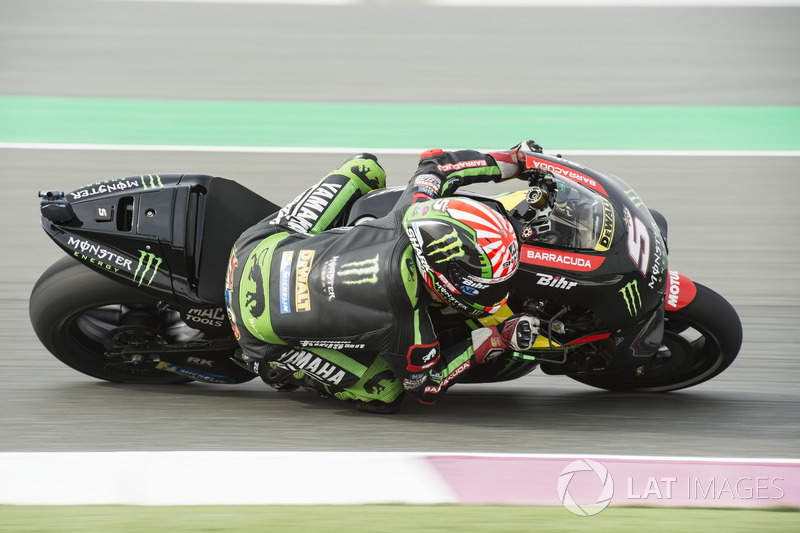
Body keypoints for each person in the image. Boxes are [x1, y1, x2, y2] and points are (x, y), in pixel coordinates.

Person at [225, 141, 543, 413]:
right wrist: (494, 340)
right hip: (255, 330)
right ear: (444, 281)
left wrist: (512, 161)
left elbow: (437, 165)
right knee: (385, 392)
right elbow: (425, 384)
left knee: (366, 168)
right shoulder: (405, 321)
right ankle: (282, 369)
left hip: (254, 248)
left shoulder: (409, 213)